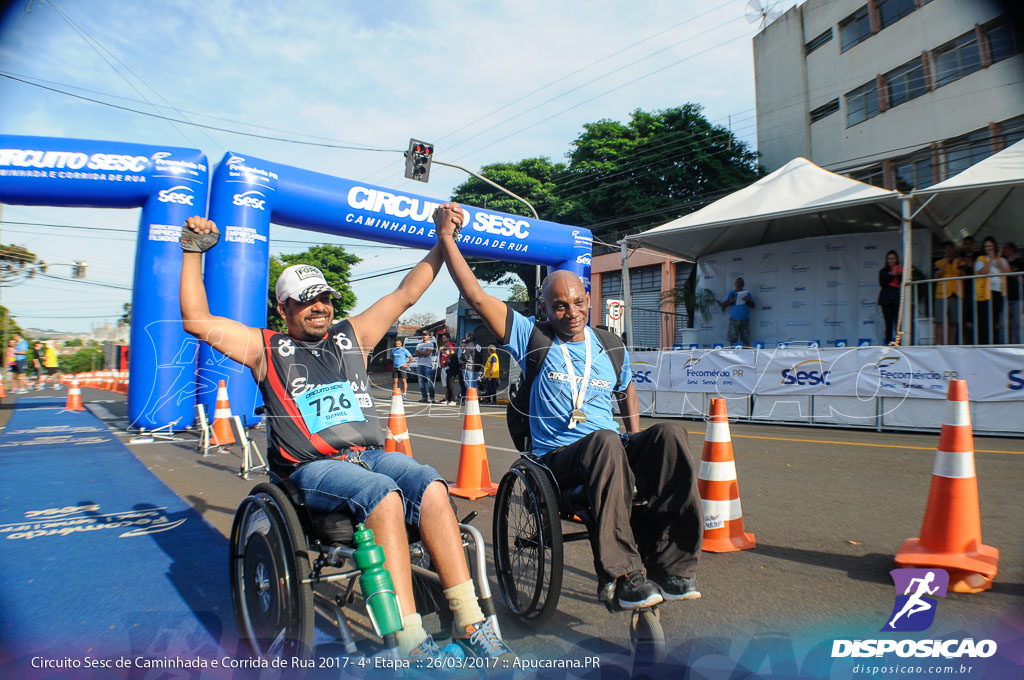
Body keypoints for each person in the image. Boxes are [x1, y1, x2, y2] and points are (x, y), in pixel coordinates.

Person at [177, 216, 513, 663]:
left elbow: (408, 293)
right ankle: (410, 642)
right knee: (384, 495)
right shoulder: (265, 347)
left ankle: (472, 623)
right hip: (313, 468)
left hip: (370, 455)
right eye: (306, 301)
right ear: (284, 310)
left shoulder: (350, 336)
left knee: (431, 483)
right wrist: (193, 250)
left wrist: (443, 239)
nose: (320, 307)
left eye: (325, 299)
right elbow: (196, 320)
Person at [433, 201, 703, 610]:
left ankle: (674, 567)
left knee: (669, 436)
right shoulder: (531, 337)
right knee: (604, 442)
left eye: (577, 303)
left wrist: (635, 434)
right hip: (558, 458)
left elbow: (626, 389)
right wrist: (446, 238)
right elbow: (474, 292)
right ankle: (624, 574)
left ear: (588, 302)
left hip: (610, 448)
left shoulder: (610, 345)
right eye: (559, 305)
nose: (570, 312)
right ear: (544, 308)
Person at [974, 236, 1008, 345]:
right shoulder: (981, 259)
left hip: (998, 292)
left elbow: (1007, 271)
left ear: (994, 246)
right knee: (984, 320)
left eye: (990, 246)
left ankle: (995, 343)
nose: (988, 248)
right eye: (986, 246)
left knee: (995, 320)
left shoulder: (1000, 259)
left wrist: (998, 258)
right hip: (985, 294)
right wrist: (991, 259)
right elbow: (982, 272)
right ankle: (984, 344)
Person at [933, 241, 963, 345]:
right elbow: (936, 275)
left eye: (951, 248)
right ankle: (939, 345)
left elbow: (963, 274)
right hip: (941, 294)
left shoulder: (959, 261)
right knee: (940, 322)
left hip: (956, 294)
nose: (949, 250)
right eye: (946, 248)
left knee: (954, 323)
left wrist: (959, 265)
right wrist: (945, 262)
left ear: (953, 249)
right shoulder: (939, 262)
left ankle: (951, 345)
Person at [720, 277, 755, 347]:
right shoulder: (731, 293)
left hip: (745, 319)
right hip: (734, 320)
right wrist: (730, 301)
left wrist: (747, 301)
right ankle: (732, 355)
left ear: (743, 285)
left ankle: (746, 355)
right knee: (732, 339)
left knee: (746, 339)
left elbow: (753, 306)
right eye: (737, 283)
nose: (739, 284)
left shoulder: (747, 294)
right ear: (735, 284)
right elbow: (723, 305)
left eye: (741, 283)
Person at [877, 250, 903, 345]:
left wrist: (899, 274)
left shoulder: (901, 270)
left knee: (898, 323)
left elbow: (902, 282)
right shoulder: (883, 271)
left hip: (896, 298)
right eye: (889, 258)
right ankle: (888, 344)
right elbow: (883, 284)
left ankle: (898, 344)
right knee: (888, 324)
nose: (891, 260)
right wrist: (892, 275)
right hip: (886, 299)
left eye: (893, 258)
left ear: (896, 259)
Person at [959, 237, 978, 343]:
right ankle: (968, 342)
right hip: (965, 293)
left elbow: (975, 268)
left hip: (978, 292)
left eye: (970, 244)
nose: (968, 246)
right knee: (966, 321)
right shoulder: (961, 257)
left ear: (973, 245)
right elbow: (961, 273)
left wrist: (968, 264)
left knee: (976, 319)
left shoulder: (978, 256)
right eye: (966, 244)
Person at [1003, 242, 1022, 344]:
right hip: (1005, 297)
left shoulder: (1019, 262)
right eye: (1005, 248)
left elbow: (1020, 278)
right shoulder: (1003, 261)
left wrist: (1010, 272)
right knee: (1004, 324)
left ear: (1012, 249)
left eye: (1008, 248)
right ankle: (1006, 345)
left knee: (1017, 324)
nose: (1006, 250)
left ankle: (1017, 345)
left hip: (1017, 297)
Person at [414, 331, 438, 403]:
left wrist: (420, 352)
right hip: (420, 364)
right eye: (423, 335)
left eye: (426, 335)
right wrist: (422, 353)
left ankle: (432, 397)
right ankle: (424, 397)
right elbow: (416, 354)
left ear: (429, 336)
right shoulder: (419, 344)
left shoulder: (430, 344)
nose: (424, 336)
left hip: (428, 365)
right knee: (421, 382)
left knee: (429, 382)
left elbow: (427, 353)